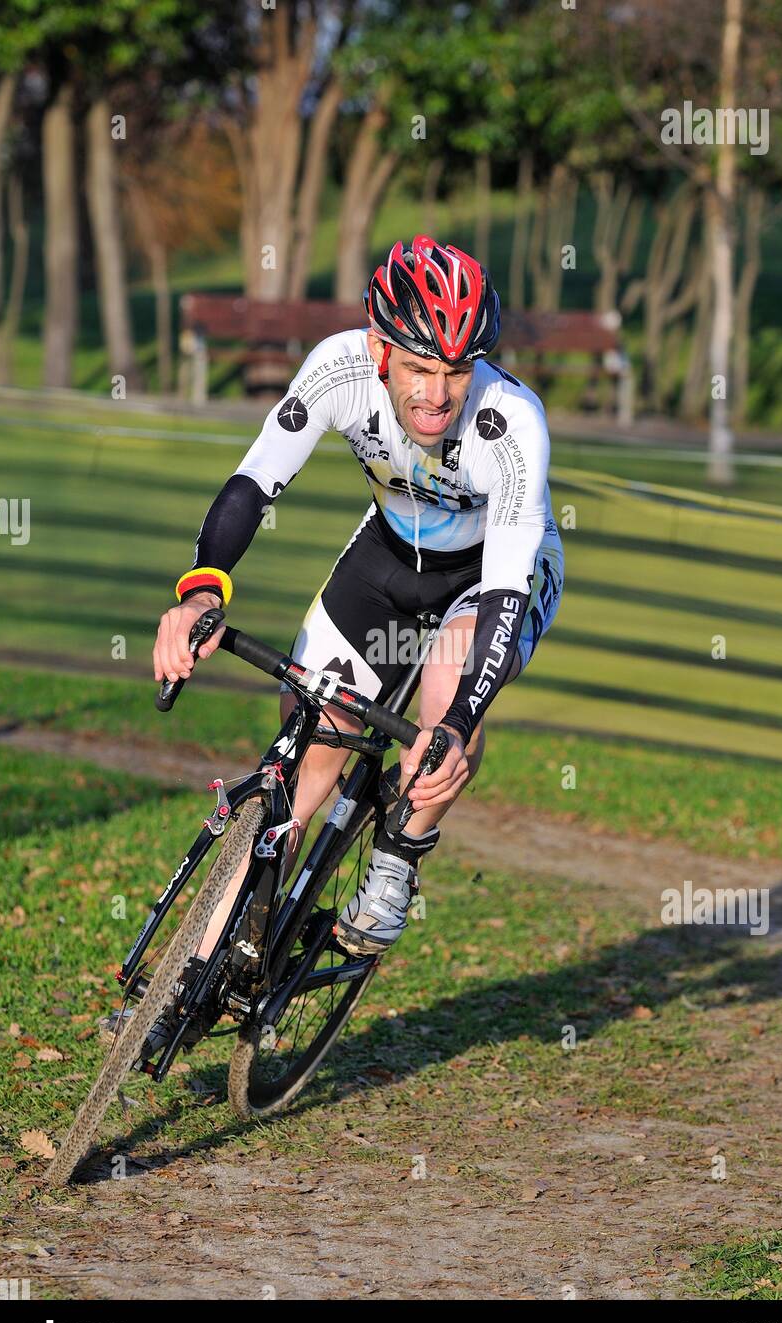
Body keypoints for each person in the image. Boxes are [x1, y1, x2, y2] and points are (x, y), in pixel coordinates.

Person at [153, 235, 564, 958]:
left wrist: (461, 720)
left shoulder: (512, 422)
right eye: (415, 369)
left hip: (491, 576)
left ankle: (400, 853)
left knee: (444, 694)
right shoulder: (337, 369)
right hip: (387, 553)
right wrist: (196, 596)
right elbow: (254, 483)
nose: (435, 396)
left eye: (455, 372)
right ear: (378, 348)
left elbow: (504, 585)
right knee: (306, 755)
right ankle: (197, 969)